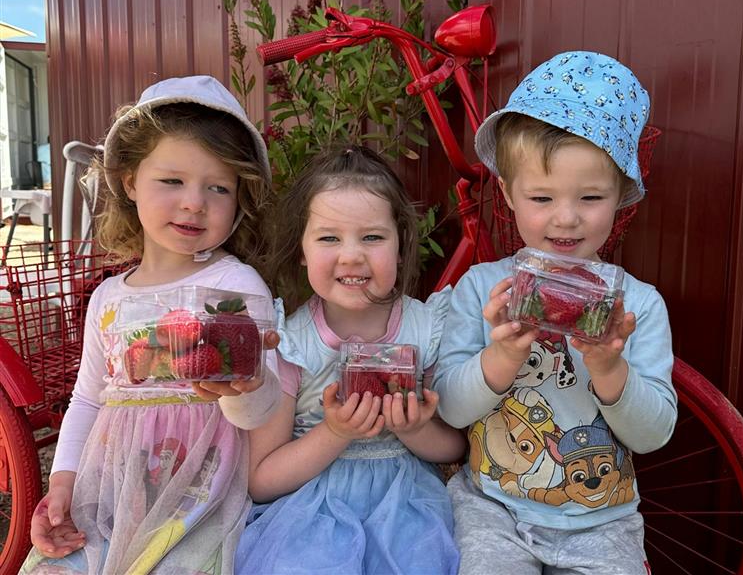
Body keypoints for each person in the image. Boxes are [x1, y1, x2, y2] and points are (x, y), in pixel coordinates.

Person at [23, 75, 283, 574]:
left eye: (218, 187)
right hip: (111, 488)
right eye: (172, 181)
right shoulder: (108, 298)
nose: (194, 202)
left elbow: (256, 414)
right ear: (129, 181)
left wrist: (247, 386)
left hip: (196, 494)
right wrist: (62, 483)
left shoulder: (235, 285)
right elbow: (88, 398)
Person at [433, 51, 677, 574]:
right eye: (541, 197)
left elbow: (653, 435)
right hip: (492, 511)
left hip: (603, 521)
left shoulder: (638, 306)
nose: (566, 219)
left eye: (590, 196)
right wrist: (499, 356)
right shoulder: (481, 291)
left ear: (620, 199)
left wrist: (610, 369)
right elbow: (450, 410)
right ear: (507, 193)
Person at [235, 146, 464, 574]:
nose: (352, 255)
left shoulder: (425, 327)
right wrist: (335, 432)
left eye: (372, 237)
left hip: (406, 506)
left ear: (400, 245)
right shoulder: (291, 342)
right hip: (310, 511)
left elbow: (454, 445)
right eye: (329, 238)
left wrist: (412, 428)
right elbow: (261, 481)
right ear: (301, 249)